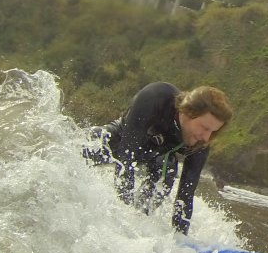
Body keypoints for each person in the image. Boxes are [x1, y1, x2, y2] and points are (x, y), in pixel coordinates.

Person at [84, 82, 233, 235]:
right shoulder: (157, 97)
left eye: (213, 131)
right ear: (189, 112)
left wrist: (182, 242)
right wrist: (122, 217)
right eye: (205, 128)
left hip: (158, 159)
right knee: (86, 146)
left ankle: (140, 227)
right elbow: (126, 158)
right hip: (121, 139)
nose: (206, 137)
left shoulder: (202, 142)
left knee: (165, 177)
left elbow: (185, 197)